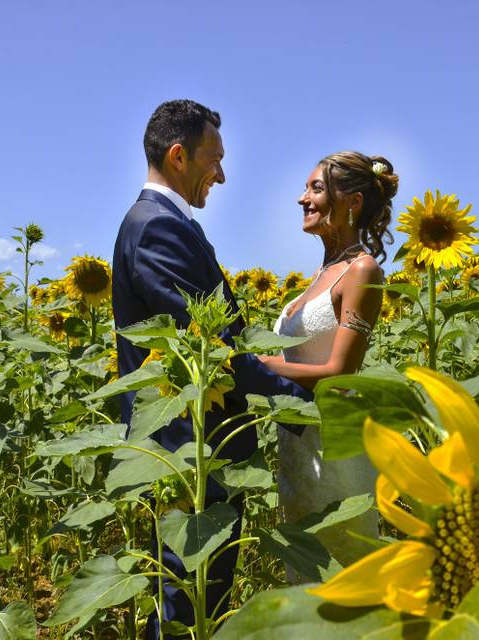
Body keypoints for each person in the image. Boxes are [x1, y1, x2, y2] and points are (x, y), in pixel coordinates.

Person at [111, 99, 312, 636]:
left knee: (205, 596)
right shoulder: (157, 228)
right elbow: (214, 345)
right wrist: (300, 409)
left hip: (199, 443)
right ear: (179, 156)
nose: (221, 174)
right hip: (188, 447)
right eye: (214, 159)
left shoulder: (167, 223)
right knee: (185, 600)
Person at [258, 151, 398, 572]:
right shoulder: (320, 274)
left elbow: (340, 372)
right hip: (299, 450)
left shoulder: (362, 271)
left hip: (333, 453)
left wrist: (256, 366)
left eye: (316, 188)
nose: (303, 199)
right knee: (305, 576)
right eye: (306, 188)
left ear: (353, 202)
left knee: (343, 574)